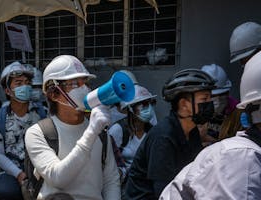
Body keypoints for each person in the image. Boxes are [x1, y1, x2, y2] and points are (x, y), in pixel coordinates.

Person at [160, 51, 261, 200]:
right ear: (184, 104)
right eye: (205, 98)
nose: (212, 103)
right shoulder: (241, 157)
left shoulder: (197, 133)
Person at [25, 55, 120, 199]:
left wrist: (95, 130)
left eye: (86, 83)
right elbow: (58, 179)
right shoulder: (38, 133)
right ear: (54, 94)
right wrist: (91, 132)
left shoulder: (101, 133)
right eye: (75, 84)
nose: (84, 89)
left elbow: (111, 180)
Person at [123, 68, 216, 199]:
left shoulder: (192, 131)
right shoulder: (164, 137)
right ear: (184, 105)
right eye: (204, 99)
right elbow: (164, 193)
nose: (209, 103)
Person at [0, 61, 46, 199]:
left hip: (40, 167)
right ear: (7, 90)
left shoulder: (43, 114)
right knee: (5, 191)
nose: (24, 86)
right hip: (11, 170)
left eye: (27, 82)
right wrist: (19, 174)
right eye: (18, 83)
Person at [108, 85, 157, 183]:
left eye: (151, 103)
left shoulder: (152, 131)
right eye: (143, 104)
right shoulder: (118, 130)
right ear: (130, 108)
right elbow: (109, 162)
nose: (149, 108)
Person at [201, 64, 242, 141]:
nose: (218, 100)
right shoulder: (195, 110)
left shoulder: (237, 111)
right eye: (213, 96)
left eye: (222, 94)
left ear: (228, 92)